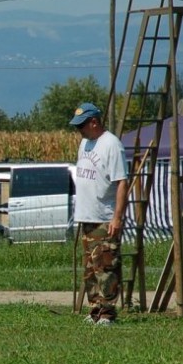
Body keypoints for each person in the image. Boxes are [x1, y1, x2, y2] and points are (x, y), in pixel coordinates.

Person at [69, 102, 128, 325]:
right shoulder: (85, 143)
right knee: (91, 269)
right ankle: (95, 309)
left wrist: (117, 217)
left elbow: (122, 182)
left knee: (106, 266)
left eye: (81, 125)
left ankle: (107, 313)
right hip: (87, 215)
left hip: (105, 217)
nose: (79, 130)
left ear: (94, 122)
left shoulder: (111, 144)